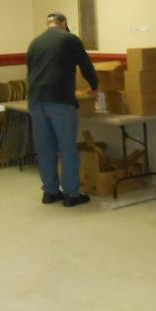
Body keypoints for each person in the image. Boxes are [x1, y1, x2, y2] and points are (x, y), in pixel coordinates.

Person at [27, 12, 98, 206]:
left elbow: (30, 72)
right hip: (60, 101)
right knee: (67, 148)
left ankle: (50, 192)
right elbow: (85, 65)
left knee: (45, 148)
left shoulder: (35, 43)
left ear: (48, 24)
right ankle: (72, 195)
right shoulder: (70, 39)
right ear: (64, 23)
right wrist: (94, 85)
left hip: (35, 101)